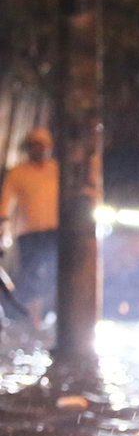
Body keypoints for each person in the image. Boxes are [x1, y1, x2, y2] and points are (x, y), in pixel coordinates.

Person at [1, 127, 59, 323]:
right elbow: (6, 202)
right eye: (34, 146)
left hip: (53, 231)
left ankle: (46, 312)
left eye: (42, 146)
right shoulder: (18, 173)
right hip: (28, 232)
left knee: (53, 272)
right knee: (29, 273)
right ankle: (26, 313)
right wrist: (3, 222)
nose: (38, 150)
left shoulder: (56, 170)